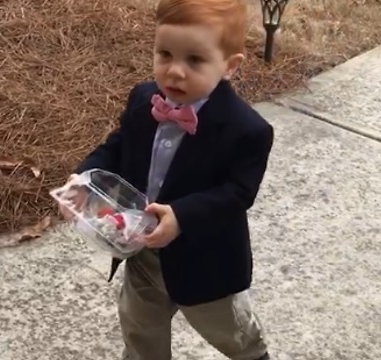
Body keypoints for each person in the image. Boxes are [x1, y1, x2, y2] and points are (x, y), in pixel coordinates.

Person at [64, 0, 275, 359]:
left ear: (229, 66)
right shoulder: (144, 99)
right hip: (143, 254)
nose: (175, 71)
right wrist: (86, 177)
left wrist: (182, 216)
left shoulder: (247, 130)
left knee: (234, 335)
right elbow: (118, 146)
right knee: (139, 328)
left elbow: (238, 193)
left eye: (194, 60)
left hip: (206, 264)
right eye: (165, 53)